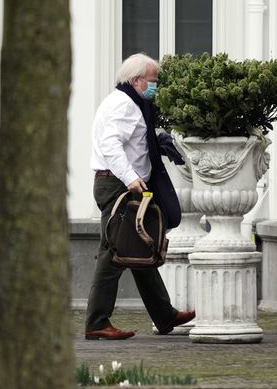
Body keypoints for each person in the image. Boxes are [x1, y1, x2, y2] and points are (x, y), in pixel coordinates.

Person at [84, 53, 196, 340]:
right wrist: (131, 178)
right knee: (114, 252)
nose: (154, 87)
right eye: (152, 81)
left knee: (139, 250)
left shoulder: (126, 102)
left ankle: (165, 315)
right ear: (135, 80)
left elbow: (130, 140)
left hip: (117, 184)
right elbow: (111, 145)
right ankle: (97, 322)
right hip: (119, 185)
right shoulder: (124, 105)